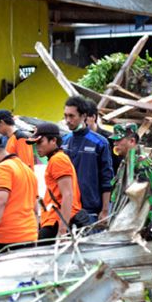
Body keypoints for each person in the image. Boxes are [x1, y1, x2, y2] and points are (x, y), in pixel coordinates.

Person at [25, 123, 83, 241]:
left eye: (40, 142)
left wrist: (62, 229)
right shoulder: (55, 159)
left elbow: (68, 194)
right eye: (35, 143)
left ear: (53, 140)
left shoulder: (58, 160)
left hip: (57, 222)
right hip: (53, 220)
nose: (37, 147)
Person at [108, 123, 152, 248]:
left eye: (118, 140)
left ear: (132, 141)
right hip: (121, 221)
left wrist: (143, 228)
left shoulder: (142, 164)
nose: (115, 144)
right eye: (114, 141)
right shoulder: (126, 162)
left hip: (133, 228)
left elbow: (148, 200)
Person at [62, 96, 114, 225]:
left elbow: (107, 179)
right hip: (67, 208)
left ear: (83, 116)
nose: (68, 120)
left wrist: (105, 210)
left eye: (71, 116)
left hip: (91, 211)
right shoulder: (63, 142)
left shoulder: (100, 143)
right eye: (65, 116)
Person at [84, 100, 120, 173]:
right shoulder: (76, 139)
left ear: (93, 117)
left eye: (84, 119)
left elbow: (117, 164)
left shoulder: (110, 139)